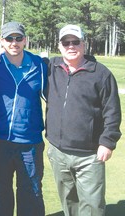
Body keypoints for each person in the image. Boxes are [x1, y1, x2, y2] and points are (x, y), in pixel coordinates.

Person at [46, 24, 122, 216]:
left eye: (75, 42)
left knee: (93, 206)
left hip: (89, 155)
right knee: (69, 202)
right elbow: (21, 57)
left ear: (84, 44)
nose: (71, 46)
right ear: (59, 45)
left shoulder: (101, 73)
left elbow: (112, 111)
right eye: (66, 42)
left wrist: (107, 142)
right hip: (58, 152)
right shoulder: (51, 67)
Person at [0, 21, 47, 216]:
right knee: (1, 195)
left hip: (30, 143)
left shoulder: (39, 64)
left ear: (25, 40)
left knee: (31, 195)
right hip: (0, 142)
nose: (14, 43)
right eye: (9, 38)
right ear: (1, 41)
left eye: (18, 38)